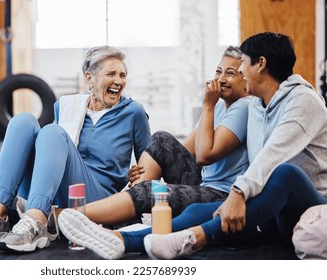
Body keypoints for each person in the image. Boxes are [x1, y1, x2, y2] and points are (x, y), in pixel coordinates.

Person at [58, 32, 327, 260]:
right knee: (196, 209)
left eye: (241, 65)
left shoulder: (303, 102)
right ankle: (121, 239)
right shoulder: (258, 105)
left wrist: (237, 194)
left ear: (260, 64)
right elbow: (188, 151)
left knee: (285, 173)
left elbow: (270, 157)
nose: (240, 72)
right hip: (269, 207)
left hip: (308, 205)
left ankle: (194, 236)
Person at [0, 45, 151, 253]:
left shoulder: (133, 112)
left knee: (52, 132)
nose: (119, 81)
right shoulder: (66, 106)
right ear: (90, 79)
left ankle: (36, 221)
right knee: (23, 121)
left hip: (99, 198)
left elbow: (150, 164)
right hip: (55, 191)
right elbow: (58, 155)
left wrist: (136, 176)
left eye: (123, 75)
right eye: (111, 74)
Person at [78, 46, 251, 228]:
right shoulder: (220, 106)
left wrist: (207, 105)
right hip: (204, 183)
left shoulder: (243, 106)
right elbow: (182, 153)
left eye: (230, 73)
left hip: (222, 193)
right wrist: (144, 171)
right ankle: (128, 209)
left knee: (149, 192)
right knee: (161, 140)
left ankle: (74, 216)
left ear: (246, 82)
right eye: (218, 71)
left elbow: (203, 155)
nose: (221, 79)